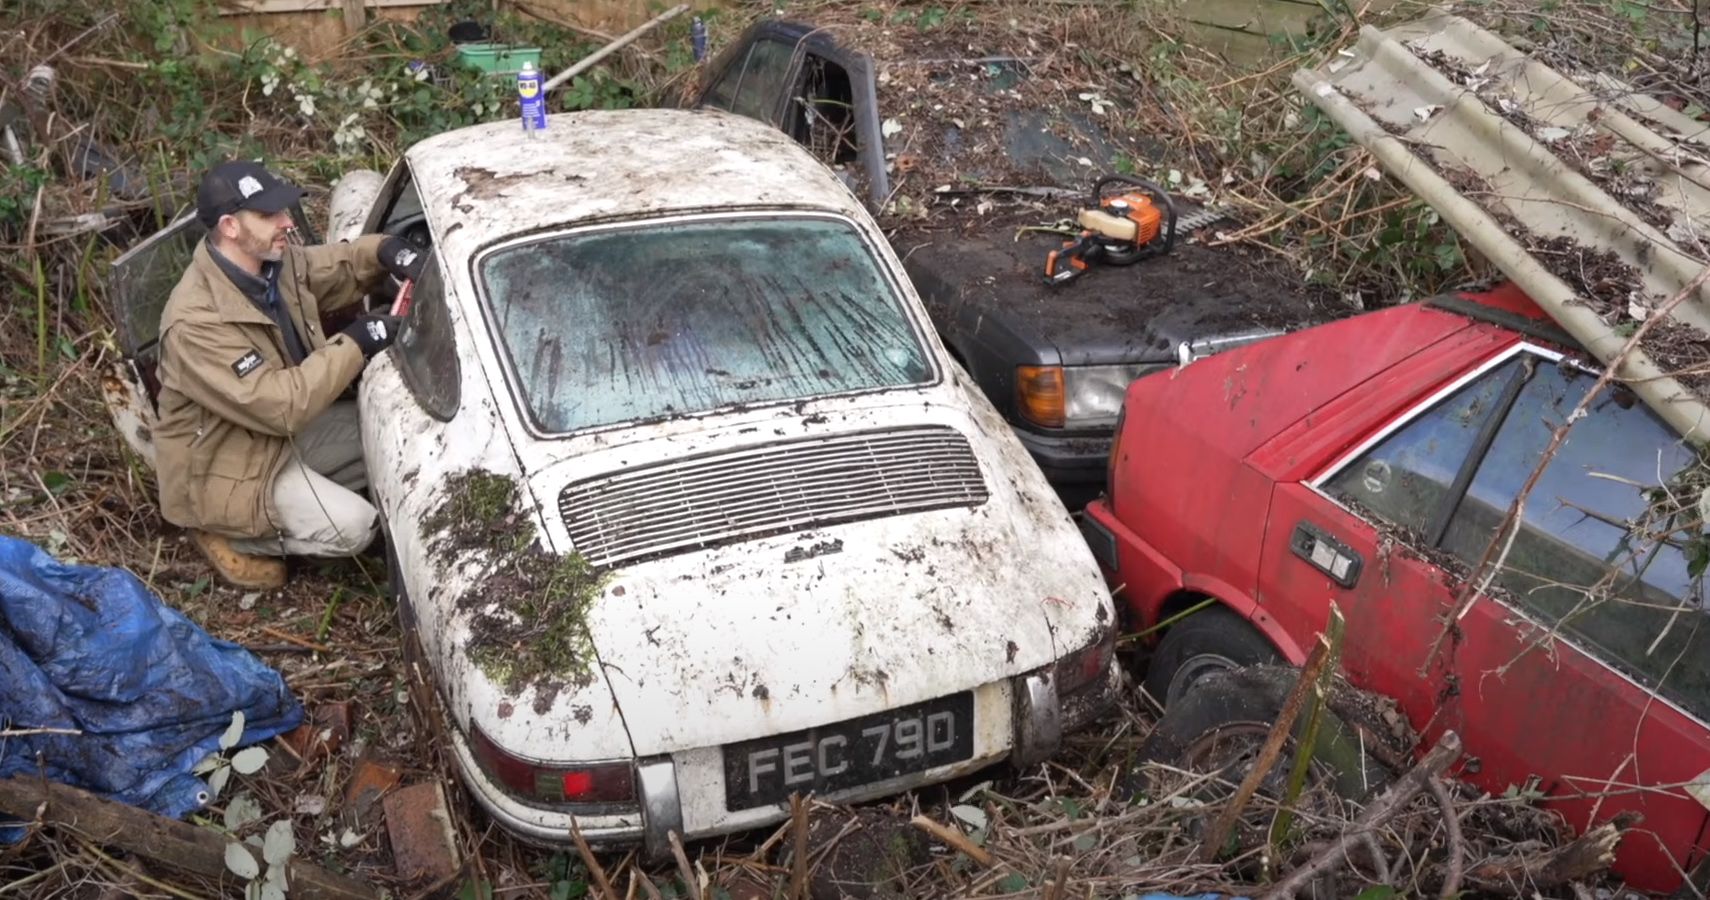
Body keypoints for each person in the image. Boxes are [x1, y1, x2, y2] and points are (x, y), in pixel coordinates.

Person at [153, 160, 425, 589]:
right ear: (229, 226)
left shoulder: (267, 263)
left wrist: (388, 251)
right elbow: (282, 407)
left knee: (402, 436)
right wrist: (359, 339)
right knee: (355, 526)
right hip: (228, 464)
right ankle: (230, 533)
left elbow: (338, 265)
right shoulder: (195, 324)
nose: (286, 223)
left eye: (282, 210)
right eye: (269, 216)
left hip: (276, 434)